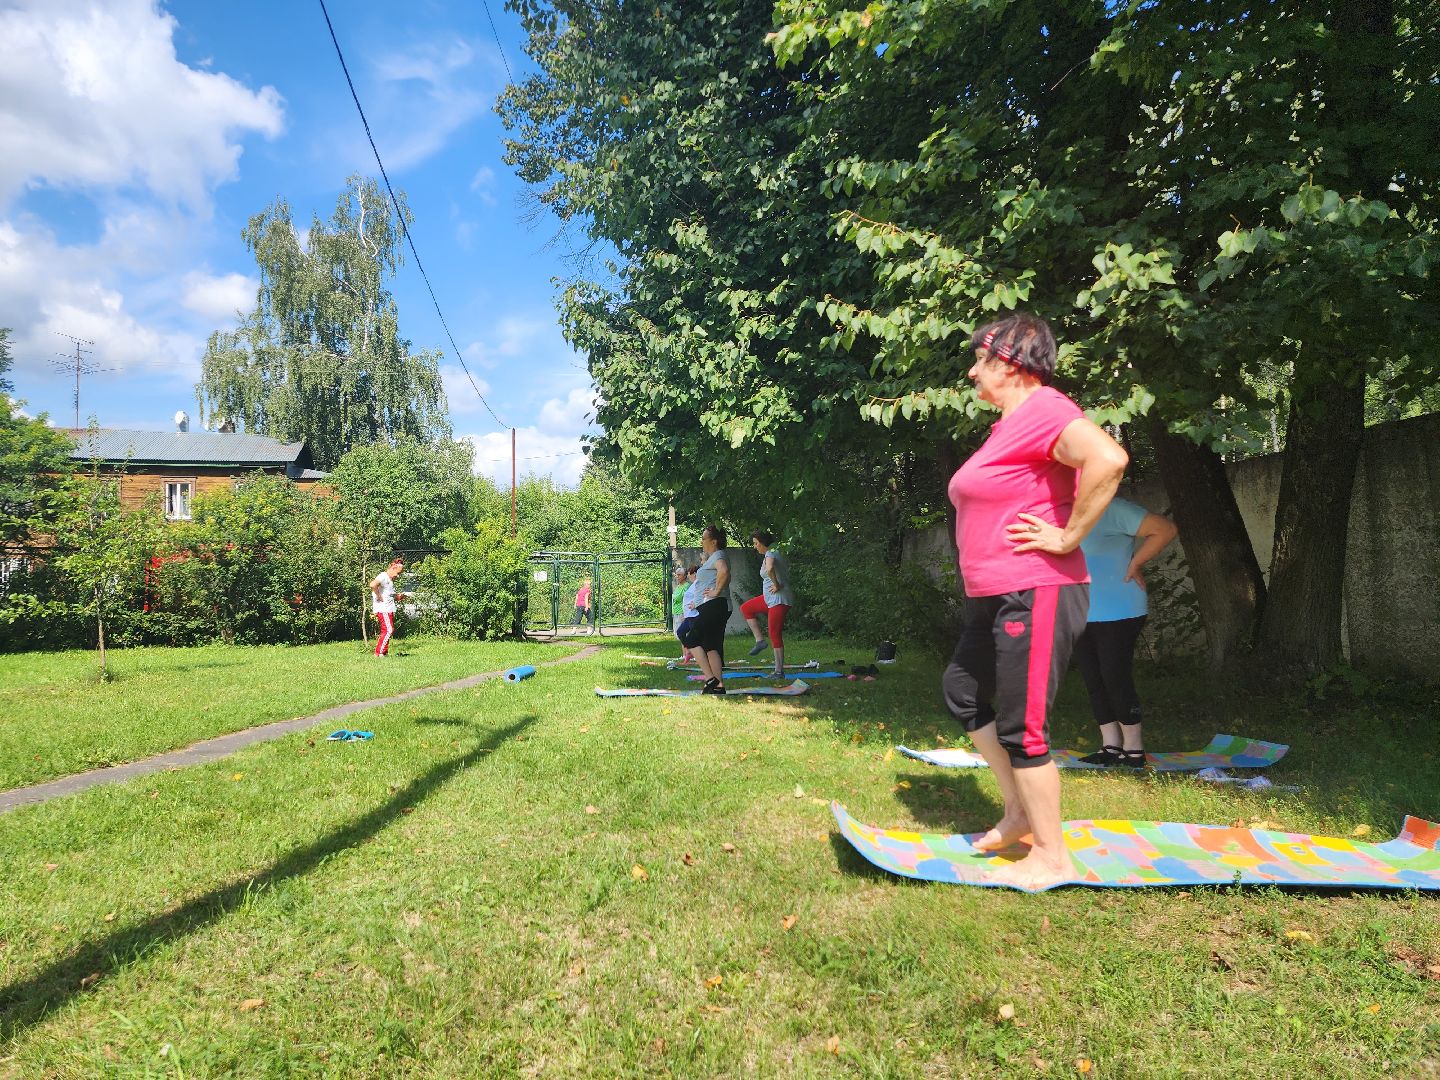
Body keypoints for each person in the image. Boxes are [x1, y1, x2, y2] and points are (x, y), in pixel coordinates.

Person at [942, 313, 1128, 890]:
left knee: (1026, 725)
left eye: (981, 359)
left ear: (1014, 362)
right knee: (963, 691)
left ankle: (1051, 856)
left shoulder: (1046, 409)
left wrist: (1069, 537)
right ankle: (1018, 811)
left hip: (1037, 587)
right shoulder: (1008, 425)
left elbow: (1108, 458)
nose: (973, 372)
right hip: (994, 592)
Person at [1074, 497, 1178, 766]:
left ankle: (1133, 749)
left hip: (1120, 611)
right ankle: (1110, 746)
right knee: (1093, 679)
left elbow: (1165, 529)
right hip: (1078, 612)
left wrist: (1136, 563)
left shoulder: (1112, 509)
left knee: (1114, 677)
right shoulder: (1059, 514)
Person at [679, 525, 731, 694]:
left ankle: (710, 679)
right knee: (711, 646)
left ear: (714, 541)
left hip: (714, 605)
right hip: (714, 606)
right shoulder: (713, 557)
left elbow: (724, 571)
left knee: (690, 639)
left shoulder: (718, 555)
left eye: (704, 538)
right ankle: (719, 686)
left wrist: (716, 591)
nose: (701, 542)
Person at [739, 531, 795, 676]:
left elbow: (770, 569)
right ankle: (760, 641)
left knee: (774, 633)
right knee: (746, 608)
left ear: (763, 542)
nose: (755, 546)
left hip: (778, 599)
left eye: (756, 543)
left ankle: (778, 671)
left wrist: (776, 584)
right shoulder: (772, 553)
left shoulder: (771, 552)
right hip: (769, 599)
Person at [369, 557, 407, 657]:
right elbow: (373, 585)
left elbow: (390, 595)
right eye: (398, 573)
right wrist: (378, 596)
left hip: (388, 609)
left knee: (387, 630)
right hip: (383, 609)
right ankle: (379, 653)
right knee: (389, 630)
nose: (398, 576)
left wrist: (399, 597)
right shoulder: (383, 576)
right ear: (393, 568)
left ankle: (383, 653)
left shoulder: (390, 581)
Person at [671, 565, 699, 664]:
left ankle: (697, 654)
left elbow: (699, 596)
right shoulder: (693, 584)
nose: (688, 576)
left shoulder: (697, 584)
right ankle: (690, 652)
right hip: (688, 615)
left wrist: (695, 604)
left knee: (694, 636)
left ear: (694, 574)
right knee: (680, 632)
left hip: (694, 615)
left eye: (688, 574)